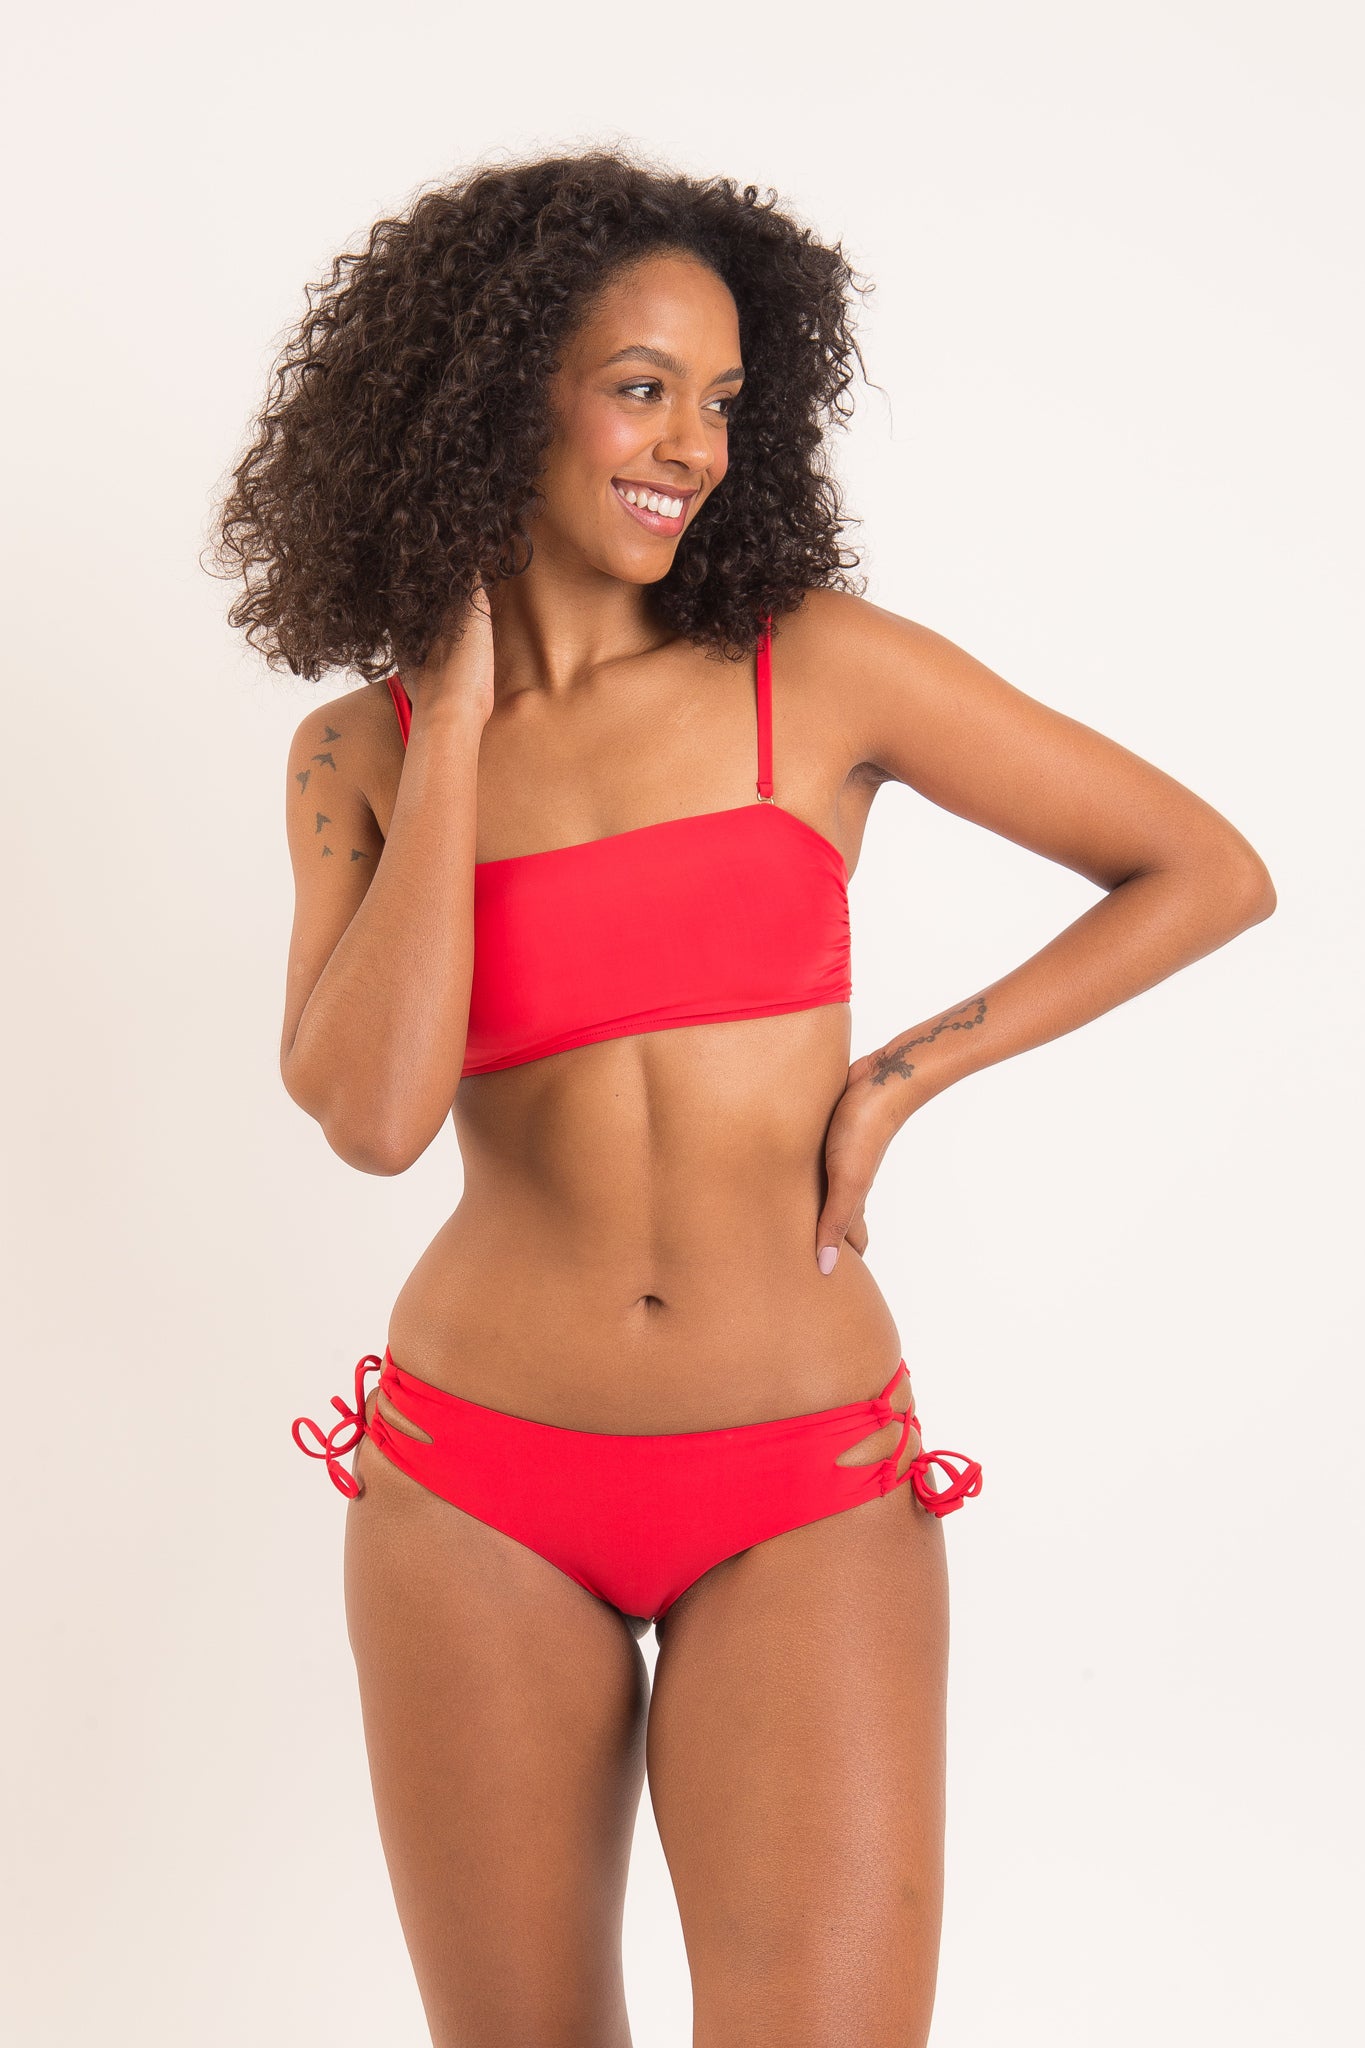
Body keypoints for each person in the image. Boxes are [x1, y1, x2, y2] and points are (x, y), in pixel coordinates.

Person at [210, 149, 1275, 2048]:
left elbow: (1201, 868)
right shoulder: (355, 752)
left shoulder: (819, 669)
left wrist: (901, 1078)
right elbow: (370, 1119)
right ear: (494, 395)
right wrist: (452, 730)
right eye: (642, 388)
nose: (692, 446)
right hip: (472, 1492)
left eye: (719, 400)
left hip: (800, 1482)